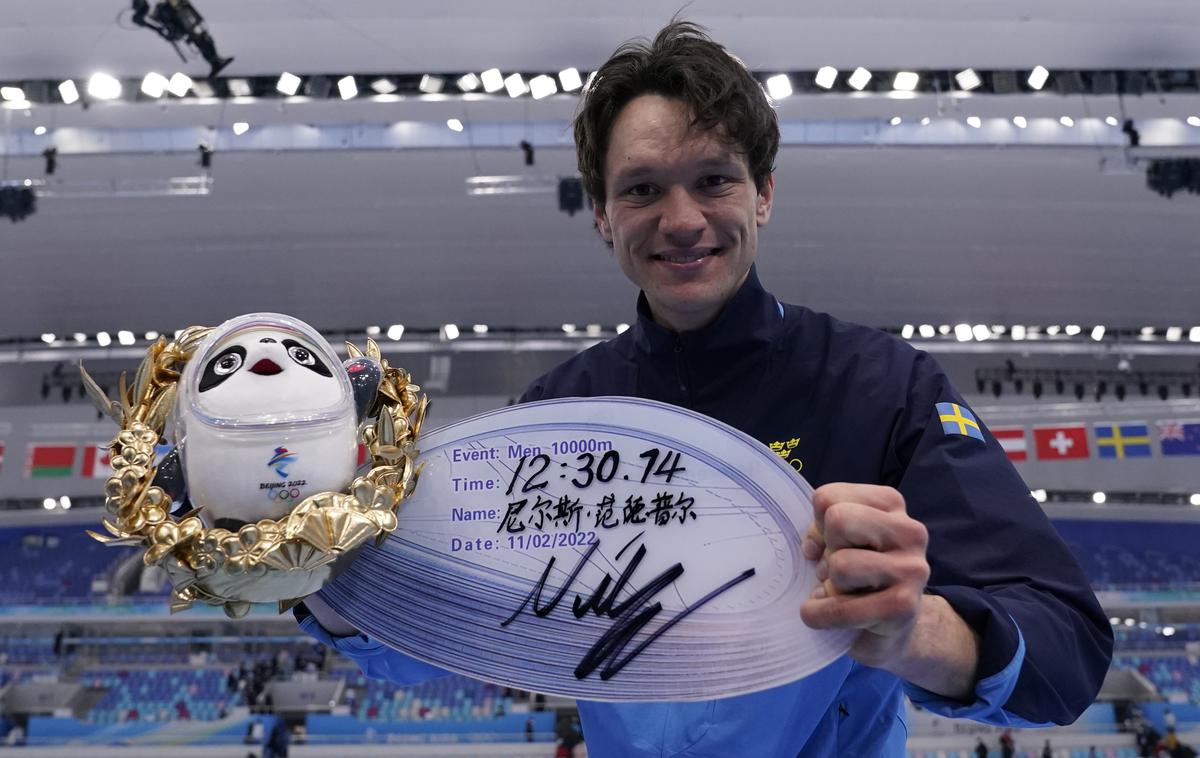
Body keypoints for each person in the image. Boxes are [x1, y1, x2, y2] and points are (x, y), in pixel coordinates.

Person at [294, 19, 1112, 756]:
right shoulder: (555, 417)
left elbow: (1067, 649)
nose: (682, 219)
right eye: (643, 189)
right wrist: (305, 555)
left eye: (715, 180)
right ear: (602, 217)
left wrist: (916, 633)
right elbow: (430, 636)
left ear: (764, 192)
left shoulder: (880, 386)